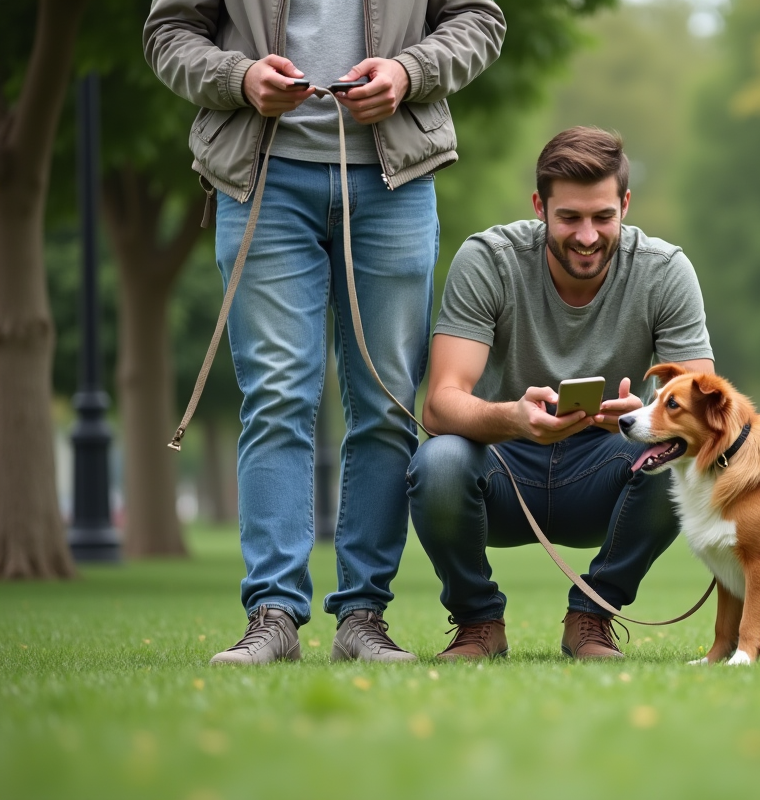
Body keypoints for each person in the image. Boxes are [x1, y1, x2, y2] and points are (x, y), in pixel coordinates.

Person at [144, 0, 505, 665]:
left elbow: (480, 20)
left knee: (386, 399)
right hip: (261, 181)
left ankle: (363, 616)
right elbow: (167, 33)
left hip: (394, 181)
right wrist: (240, 78)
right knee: (277, 394)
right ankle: (273, 615)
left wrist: (408, 71)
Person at [407, 126, 715, 661]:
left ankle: (591, 617)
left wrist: (641, 416)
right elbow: (440, 404)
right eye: (569, 217)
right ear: (539, 207)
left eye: (603, 217)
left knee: (678, 457)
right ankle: (479, 622)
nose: (588, 236)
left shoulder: (665, 271)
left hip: (609, 470)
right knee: (438, 463)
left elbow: (704, 410)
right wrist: (513, 418)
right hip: (502, 469)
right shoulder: (489, 259)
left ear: (625, 203)